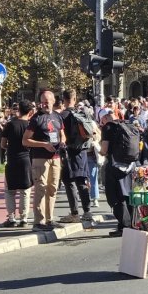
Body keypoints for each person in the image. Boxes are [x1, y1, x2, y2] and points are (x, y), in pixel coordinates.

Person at [22, 90, 66, 231]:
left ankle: (49, 219)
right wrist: (44, 144)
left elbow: (62, 133)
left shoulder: (57, 117)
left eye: (47, 102)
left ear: (53, 101)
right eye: (42, 102)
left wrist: (63, 141)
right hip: (40, 158)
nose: (44, 105)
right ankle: (38, 221)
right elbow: (25, 140)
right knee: (41, 188)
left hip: (56, 157)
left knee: (52, 188)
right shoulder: (36, 118)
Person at [59, 89, 93, 224]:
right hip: (82, 151)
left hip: (68, 151)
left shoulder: (62, 116)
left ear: (64, 100)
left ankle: (74, 213)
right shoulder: (81, 114)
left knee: (69, 182)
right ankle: (87, 211)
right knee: (82, 181)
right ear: (74, 99)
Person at [99, 108, 135, 237]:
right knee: (128, 195)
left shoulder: (108, 127)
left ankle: (124, 226)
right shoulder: (129, 125)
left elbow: (104, 150)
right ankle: (132, 224)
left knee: (115, 197)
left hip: (114, 167)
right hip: (130, 166)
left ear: (104, 118)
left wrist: (99, 151)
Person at [0, 101, 33, 227]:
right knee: (25, 190)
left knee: (9, 190)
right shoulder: (30, 125)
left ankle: (11, 217)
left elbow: (3, 144)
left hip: (12, 159)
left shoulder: (10, 124)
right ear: (30, 112)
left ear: (19, 109)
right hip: (26, 159)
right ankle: (24, 218)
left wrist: (10, 146)